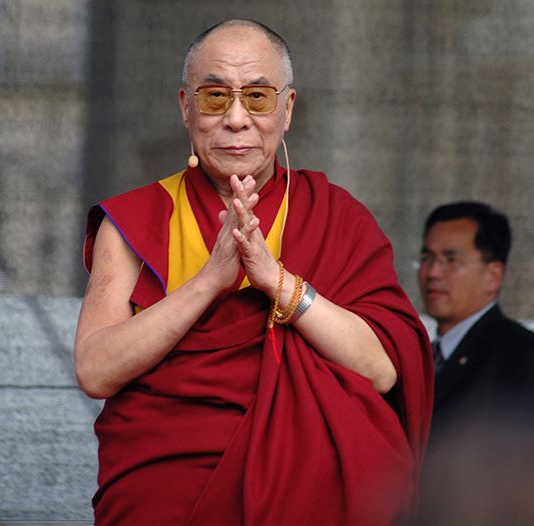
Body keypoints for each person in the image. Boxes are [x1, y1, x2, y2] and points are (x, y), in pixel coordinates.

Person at [74, 19, 432, 525]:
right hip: (163, 499)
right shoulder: (137, 219)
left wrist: (277, 282)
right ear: (186, 107)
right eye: (215, 96)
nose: (237, 119)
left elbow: (383, 369)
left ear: (287, 111)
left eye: (258, 98)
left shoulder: (336, 216)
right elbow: (94, 369)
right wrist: (208, 283)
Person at [416, 201, 534, 524]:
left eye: (451, 260)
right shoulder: (417, 354)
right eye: (427, 258)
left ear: (493, 275)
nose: (433, 272)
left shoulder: (522, 356)